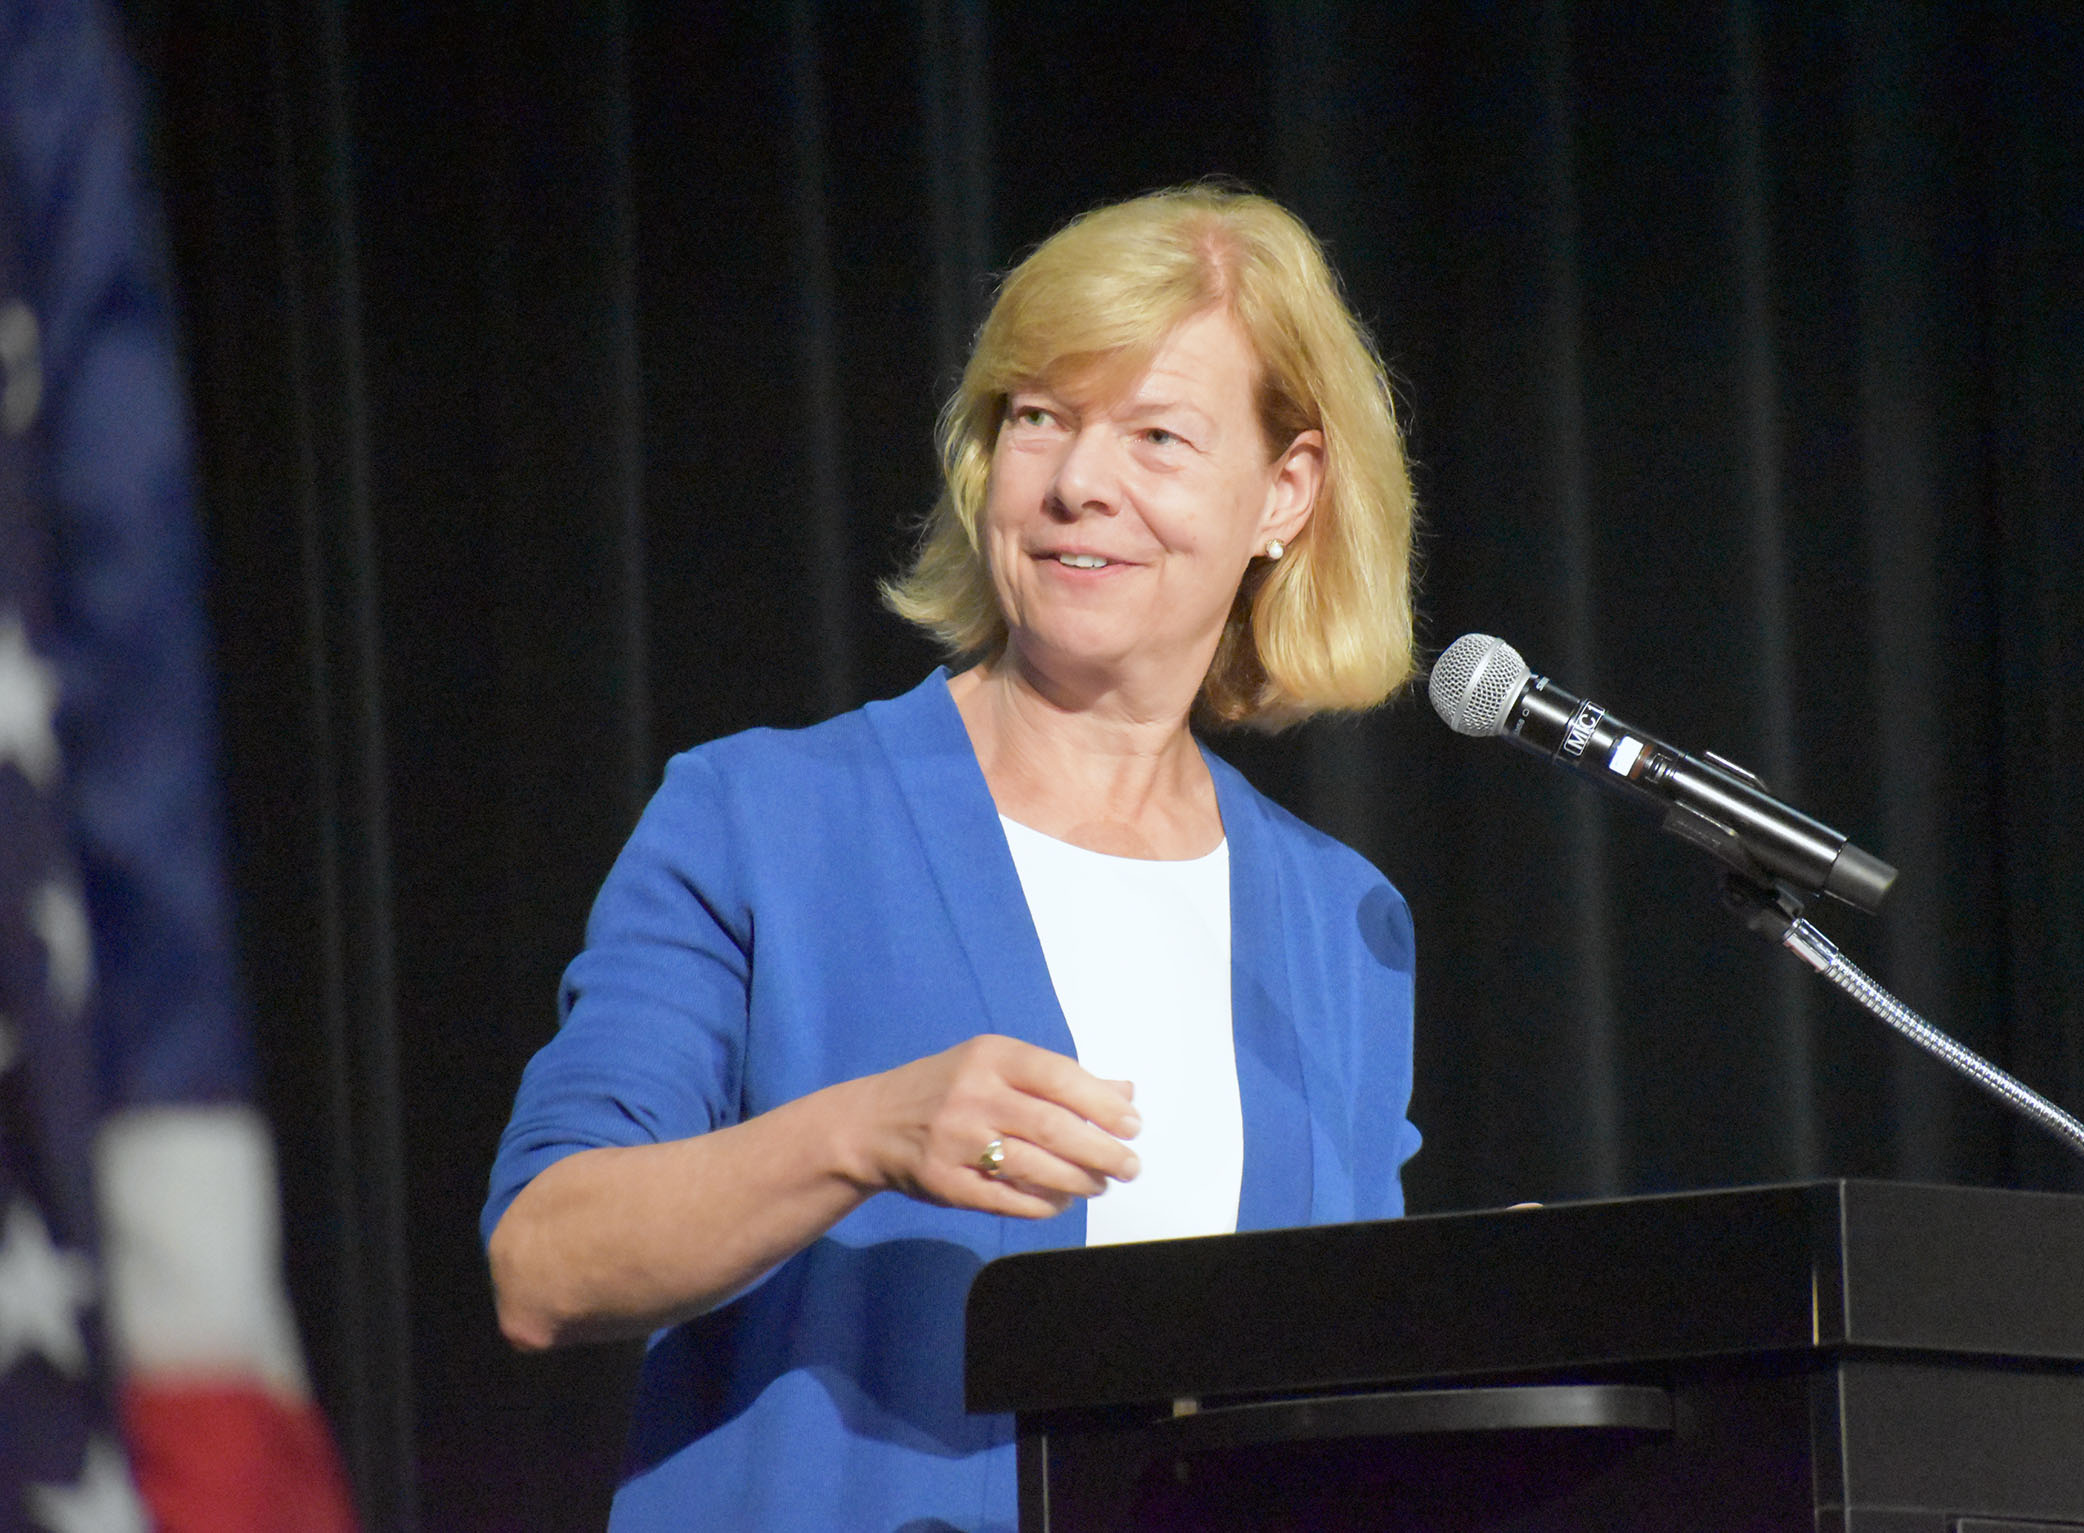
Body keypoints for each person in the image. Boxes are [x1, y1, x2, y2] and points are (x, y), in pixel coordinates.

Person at [483, 184, 1421, 1532]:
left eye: (1155, 434)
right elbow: (545, 1260)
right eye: (1037, 416)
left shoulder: (1345, 922)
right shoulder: (764, 818)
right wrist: (863, 1132)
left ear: (1288, 490)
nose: (1076, 481)